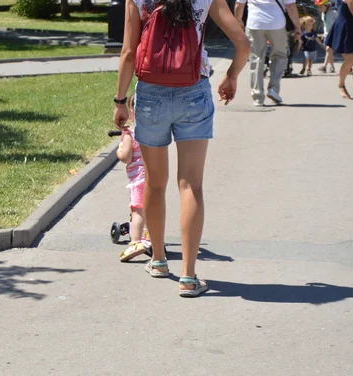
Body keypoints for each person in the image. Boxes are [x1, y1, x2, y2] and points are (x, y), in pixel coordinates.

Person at [113, 0, 250, 297]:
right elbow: (242, 41)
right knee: (191, 185)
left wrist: (121, 101)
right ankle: (189, 276)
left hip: (150, 94)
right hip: (194, 90)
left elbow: (127, 53)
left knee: (154, 181)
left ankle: (159, 260)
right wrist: (232, 76)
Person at [235, 0, 302, 106]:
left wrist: (238, 21)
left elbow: (239, 4)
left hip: (255, 23)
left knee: (257, 59)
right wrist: (297, 26)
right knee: (280, 55)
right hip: (277, 23)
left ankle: (257, 97)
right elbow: (291, 5)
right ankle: (273, 89)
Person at [117, 94, 151, 262]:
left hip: (138, 179)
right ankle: (150, 237)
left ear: (131, 113)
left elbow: (125, 157)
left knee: (137, 211)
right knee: (151, 210)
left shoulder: (130, 133)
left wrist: (120, 149)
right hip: (153, 176)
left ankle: (135, 242)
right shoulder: (153, 131)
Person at [316, 0, 338, 72]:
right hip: (327, 34)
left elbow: (338, 23)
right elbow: (325, 25)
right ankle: (332, 66)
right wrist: (324, 34)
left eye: (321, 6)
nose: (319, 8)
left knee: (328, 49)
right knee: (329, 51)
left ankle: (324, 66)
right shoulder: (323, 14)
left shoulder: (334, 13)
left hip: (334, 34)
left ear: (327, 5)